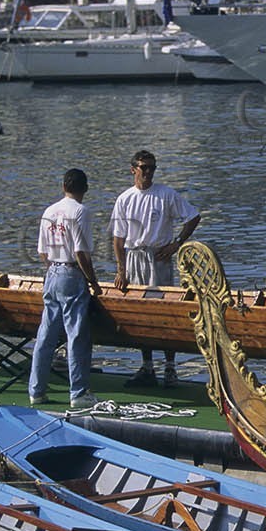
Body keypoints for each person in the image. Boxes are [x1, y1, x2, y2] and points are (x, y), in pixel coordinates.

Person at [111, 150, 201, 387]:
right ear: (134, 170)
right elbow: (118, 239)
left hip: (158, 257)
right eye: (144, 167)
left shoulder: (165, 194)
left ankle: (170, 367)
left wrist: (176, 244)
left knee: (165, 312)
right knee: (140, 313)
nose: (148, 172)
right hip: (134, 256)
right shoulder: (124, 199)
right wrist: (121, 270)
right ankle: (147, 366)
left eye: (152, 167)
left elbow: (193, 216)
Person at [29, 169, 104, 409]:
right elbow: (81, 252)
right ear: (85, 188)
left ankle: (36, 390)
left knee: (46, 334)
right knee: (77, 334)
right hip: (71, 273)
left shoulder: (49, 211)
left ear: (63, 186)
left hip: (52, 272)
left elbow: (42, 251)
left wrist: (54, 268)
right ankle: (78, 392)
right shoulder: (80, 211)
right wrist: (92, 280)